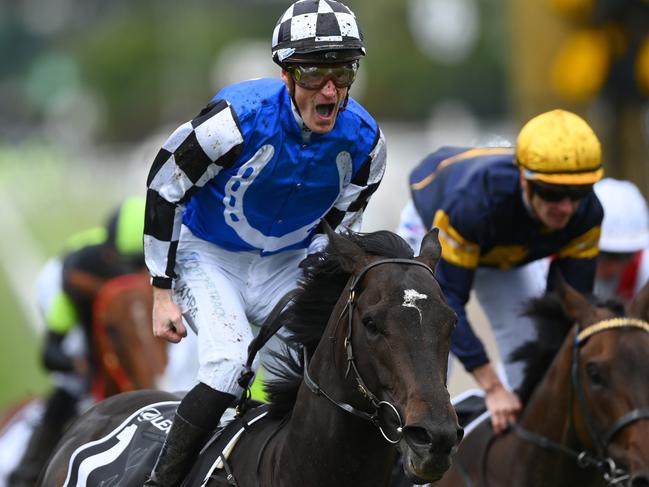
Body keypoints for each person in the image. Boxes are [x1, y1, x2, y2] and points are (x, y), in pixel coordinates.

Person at [142, 1, 386, 485]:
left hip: (288, 264)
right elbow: (164, 184)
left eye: (342, 71)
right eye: (315, 73)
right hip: (208, 255)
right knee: (229, 366)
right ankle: (161, 481)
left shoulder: (367, 144)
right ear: (287, 75)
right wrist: (161, 289)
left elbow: (333, 236)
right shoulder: (234, 120)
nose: (331, 90)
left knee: (335, 370)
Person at [396, 109, 604, 435]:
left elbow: (565, 308)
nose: (565, 207)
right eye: (551, 192)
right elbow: (447, 302)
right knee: (428, 361)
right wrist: (492, 388)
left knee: (531, 363)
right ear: (524, 179)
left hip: (504, 247)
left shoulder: (588, 214)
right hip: (436, 226)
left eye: (577, 193)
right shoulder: (473, 203)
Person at [8, 196, 146, 487]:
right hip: (62, 289)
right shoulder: (74, 278)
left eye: (142, 268)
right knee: (74, 382)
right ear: (111, 258)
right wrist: (77, 363)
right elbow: (51, 353)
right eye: (132, 268)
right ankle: (29, 467)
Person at [593, 177, 649, 301]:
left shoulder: (645, 271)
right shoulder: (553, 267)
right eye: (602, 255)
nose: (611, 267)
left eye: (623, 256)